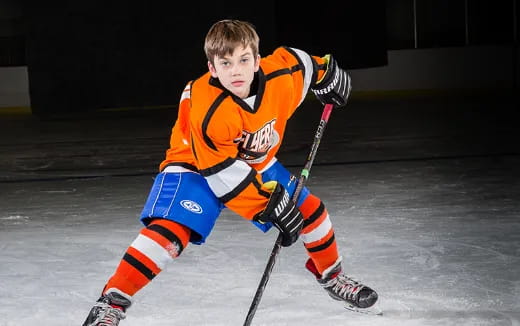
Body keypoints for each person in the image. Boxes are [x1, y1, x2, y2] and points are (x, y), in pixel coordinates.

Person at [82, 19, 378, 326]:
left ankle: (332, 277)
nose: (236, 71)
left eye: (243, 60)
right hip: (197, 163)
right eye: (225, 63)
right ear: (212, 68)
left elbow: (302, 61)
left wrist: (326, 72)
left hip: (253, 161)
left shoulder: (279, 75)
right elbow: (221, 174)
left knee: (312, 213)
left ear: (257, 61)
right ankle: (112, 302)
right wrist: (268, 206)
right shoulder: (210, 111)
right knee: (171, 231)